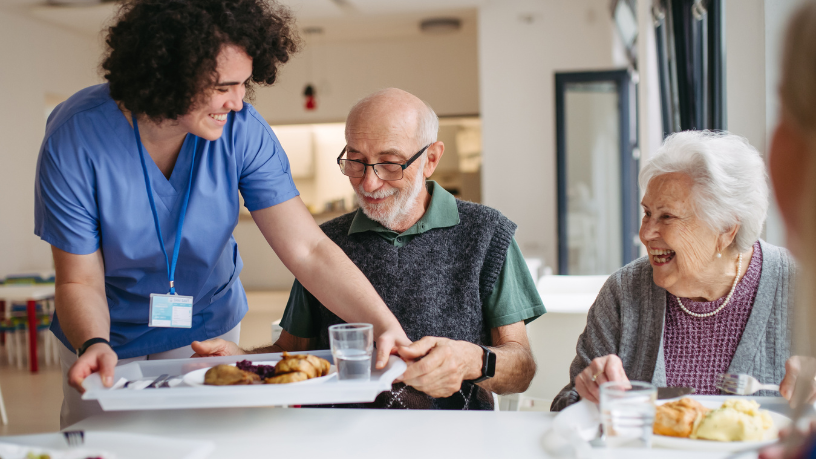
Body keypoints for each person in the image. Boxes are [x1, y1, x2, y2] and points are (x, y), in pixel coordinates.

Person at [34, 0, 408, 428]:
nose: (238, 101)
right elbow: (78, 278)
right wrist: (94, 342)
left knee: (212, 442)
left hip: (204, 331)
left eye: (245, 83)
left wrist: (383, 325)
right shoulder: (77, 138)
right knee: (106, 445)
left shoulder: (242, 130)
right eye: (224, 86)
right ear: (167, 75)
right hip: (104, 332)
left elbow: (308, 249)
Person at [193, 88, 545, 410]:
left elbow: (521, 370)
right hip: (340, 436)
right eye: (356, 161)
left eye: (390, 164)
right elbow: (293, 352)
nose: (369, 182)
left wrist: (473, 360)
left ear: (432, 159)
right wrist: (238, 358)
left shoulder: (487, 234)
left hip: (449, 438)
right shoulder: (325, 244)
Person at [551, 130, 801, 411]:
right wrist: (588, 392)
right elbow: (564, 407)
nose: (645, 233)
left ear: (726, 230)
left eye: (666, 216)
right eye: (647, 213)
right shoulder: (624, 291)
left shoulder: (800, 288)